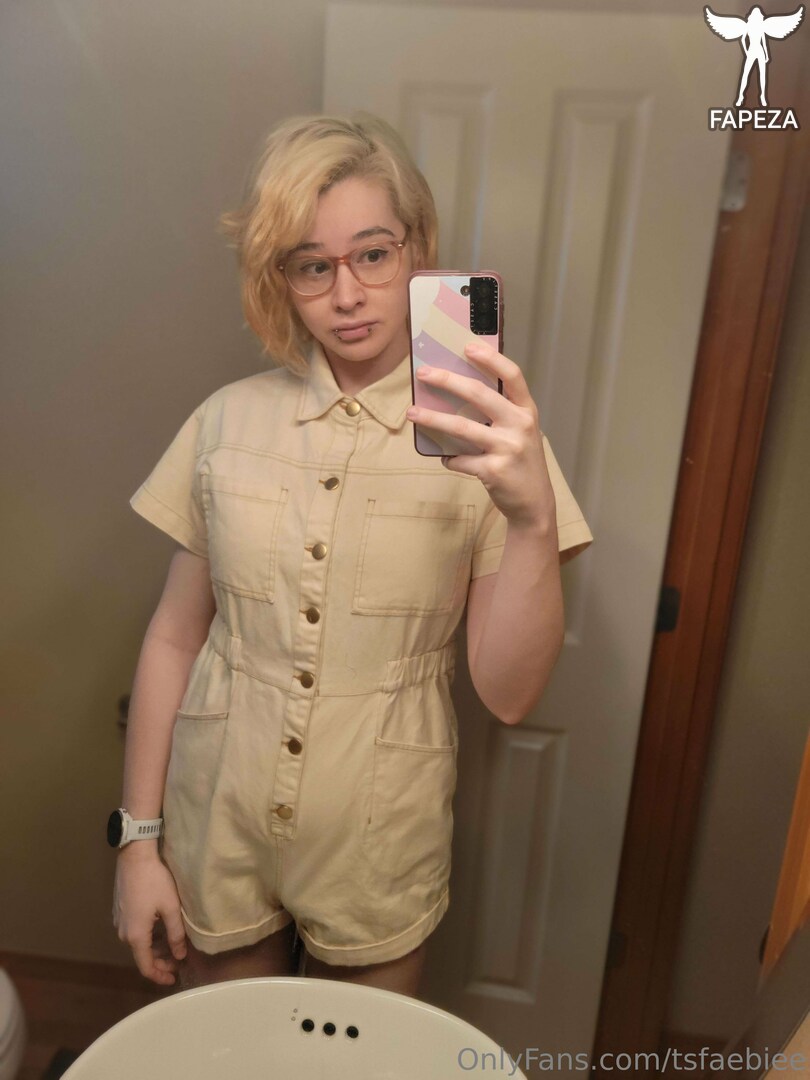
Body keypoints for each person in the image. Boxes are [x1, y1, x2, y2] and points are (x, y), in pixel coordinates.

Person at [111, 112, 593, 998]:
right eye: (312, 265)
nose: (347, 294)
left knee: (356, 1057)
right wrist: (138, 844)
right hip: (216, 823)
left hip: (380, 842)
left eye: (373, 254)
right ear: (281, 278)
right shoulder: (226, 421)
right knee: (229, 1055)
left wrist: (530, 521)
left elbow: (510, 694)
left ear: (419, 251)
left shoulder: (488, 441)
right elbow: (175, 638)